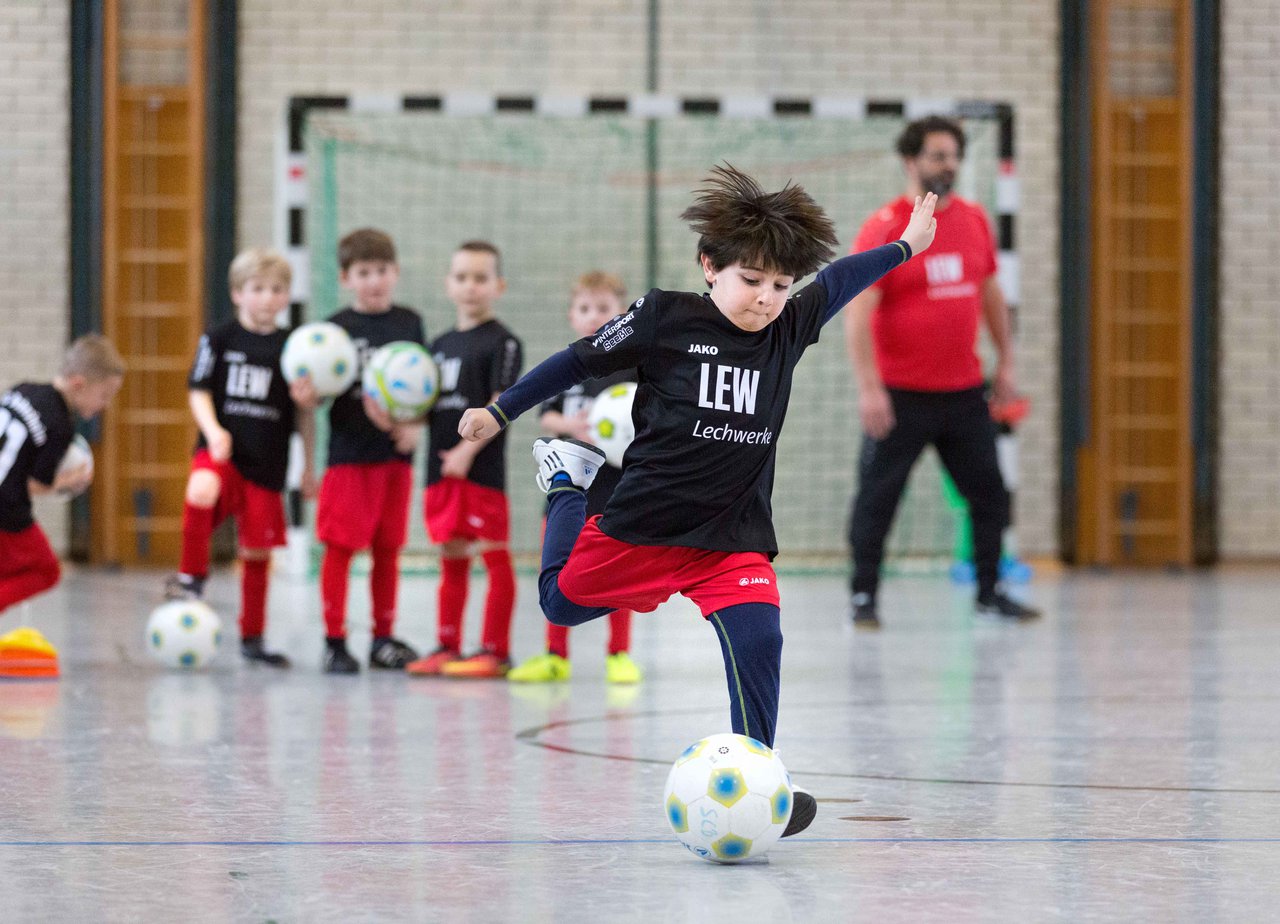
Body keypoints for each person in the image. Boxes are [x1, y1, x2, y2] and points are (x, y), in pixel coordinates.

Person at [455, 165, 937, 839]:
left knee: (759, 638)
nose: (767, 298)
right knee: (560, 602)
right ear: (710, 265)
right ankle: (568, 477)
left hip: (730, 535)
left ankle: (765, 778)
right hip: (643, 525)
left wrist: (907, 245)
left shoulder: (788, 327)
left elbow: (840, 280)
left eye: (779, 285)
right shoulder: (663, 318)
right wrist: (502, 411)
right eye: (752, 280)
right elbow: (576, 361)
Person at [842, 115, 1040, 627]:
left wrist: (1007, 362)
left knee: (990, 496)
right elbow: (858, 313)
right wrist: (870, 389)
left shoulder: (974, 220)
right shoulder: (886, 226)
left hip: (963, 394)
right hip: (901, 396)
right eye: (936, 155)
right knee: (877, 499)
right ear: (911, 161)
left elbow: (991, 294)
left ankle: (990, 592)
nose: (947, 164)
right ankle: (864, 597)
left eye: (953, 155)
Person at [164, 249, 317, 667]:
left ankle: (253, 637)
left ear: (287, 296)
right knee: (201, 487)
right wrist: (214, 432)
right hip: (224, 453)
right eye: (258, 289)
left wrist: (308, 466)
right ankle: (192, 578)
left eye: (277, 290)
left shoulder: (294, 347)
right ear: (237, 293)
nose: (268, 298)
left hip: (267, 464)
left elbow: (304, 412)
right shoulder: (219, 338)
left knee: (257, 553)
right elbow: (198, 390)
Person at [506, 271, 643, 686]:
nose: (593, 317)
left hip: (614, 494)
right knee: (559, 573)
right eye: (585, 309)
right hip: (566, 492)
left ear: (622, 315)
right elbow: (545, 415)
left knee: (619, 577)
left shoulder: (632, 371)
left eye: (603, 309)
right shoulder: (570, 367)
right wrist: (572, 425)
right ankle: (555, 656)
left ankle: (619, 655)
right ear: (571, 316)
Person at [406, 241, 523, 679]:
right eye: (461, 278)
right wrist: (405, 425)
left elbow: (502, 403)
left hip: (481, 471)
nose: (470, 287)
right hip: (441, 471)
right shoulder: (438, 345)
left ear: (498, 286)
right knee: (450, 554)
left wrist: (465, 451)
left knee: (493, 554)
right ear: (448, 284)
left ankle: (496, 650)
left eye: (480, 278)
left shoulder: (503, 342)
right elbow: (425, 404)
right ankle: (448, 644)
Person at [316, 228, 425, 673]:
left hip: (395, 458)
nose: (374, 280)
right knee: (340, 548)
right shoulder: (334, 329)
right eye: (364, 272)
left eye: (381, 271)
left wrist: (415, 425)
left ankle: (383, 638)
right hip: (349, 455)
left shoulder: (409, 322)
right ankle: (334, 640)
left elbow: (424, 384)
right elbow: (317, 390)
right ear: (346, 277)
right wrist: (306, 393)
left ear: (395, 272)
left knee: (388, 549)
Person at [1, 334, 124, 617]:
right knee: (46, 571)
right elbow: (34, 484)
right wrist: (68, 482)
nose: (104, 405)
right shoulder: (59, 425)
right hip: (7, 508)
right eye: (104, 395)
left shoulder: (24, 389)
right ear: (79, 383)